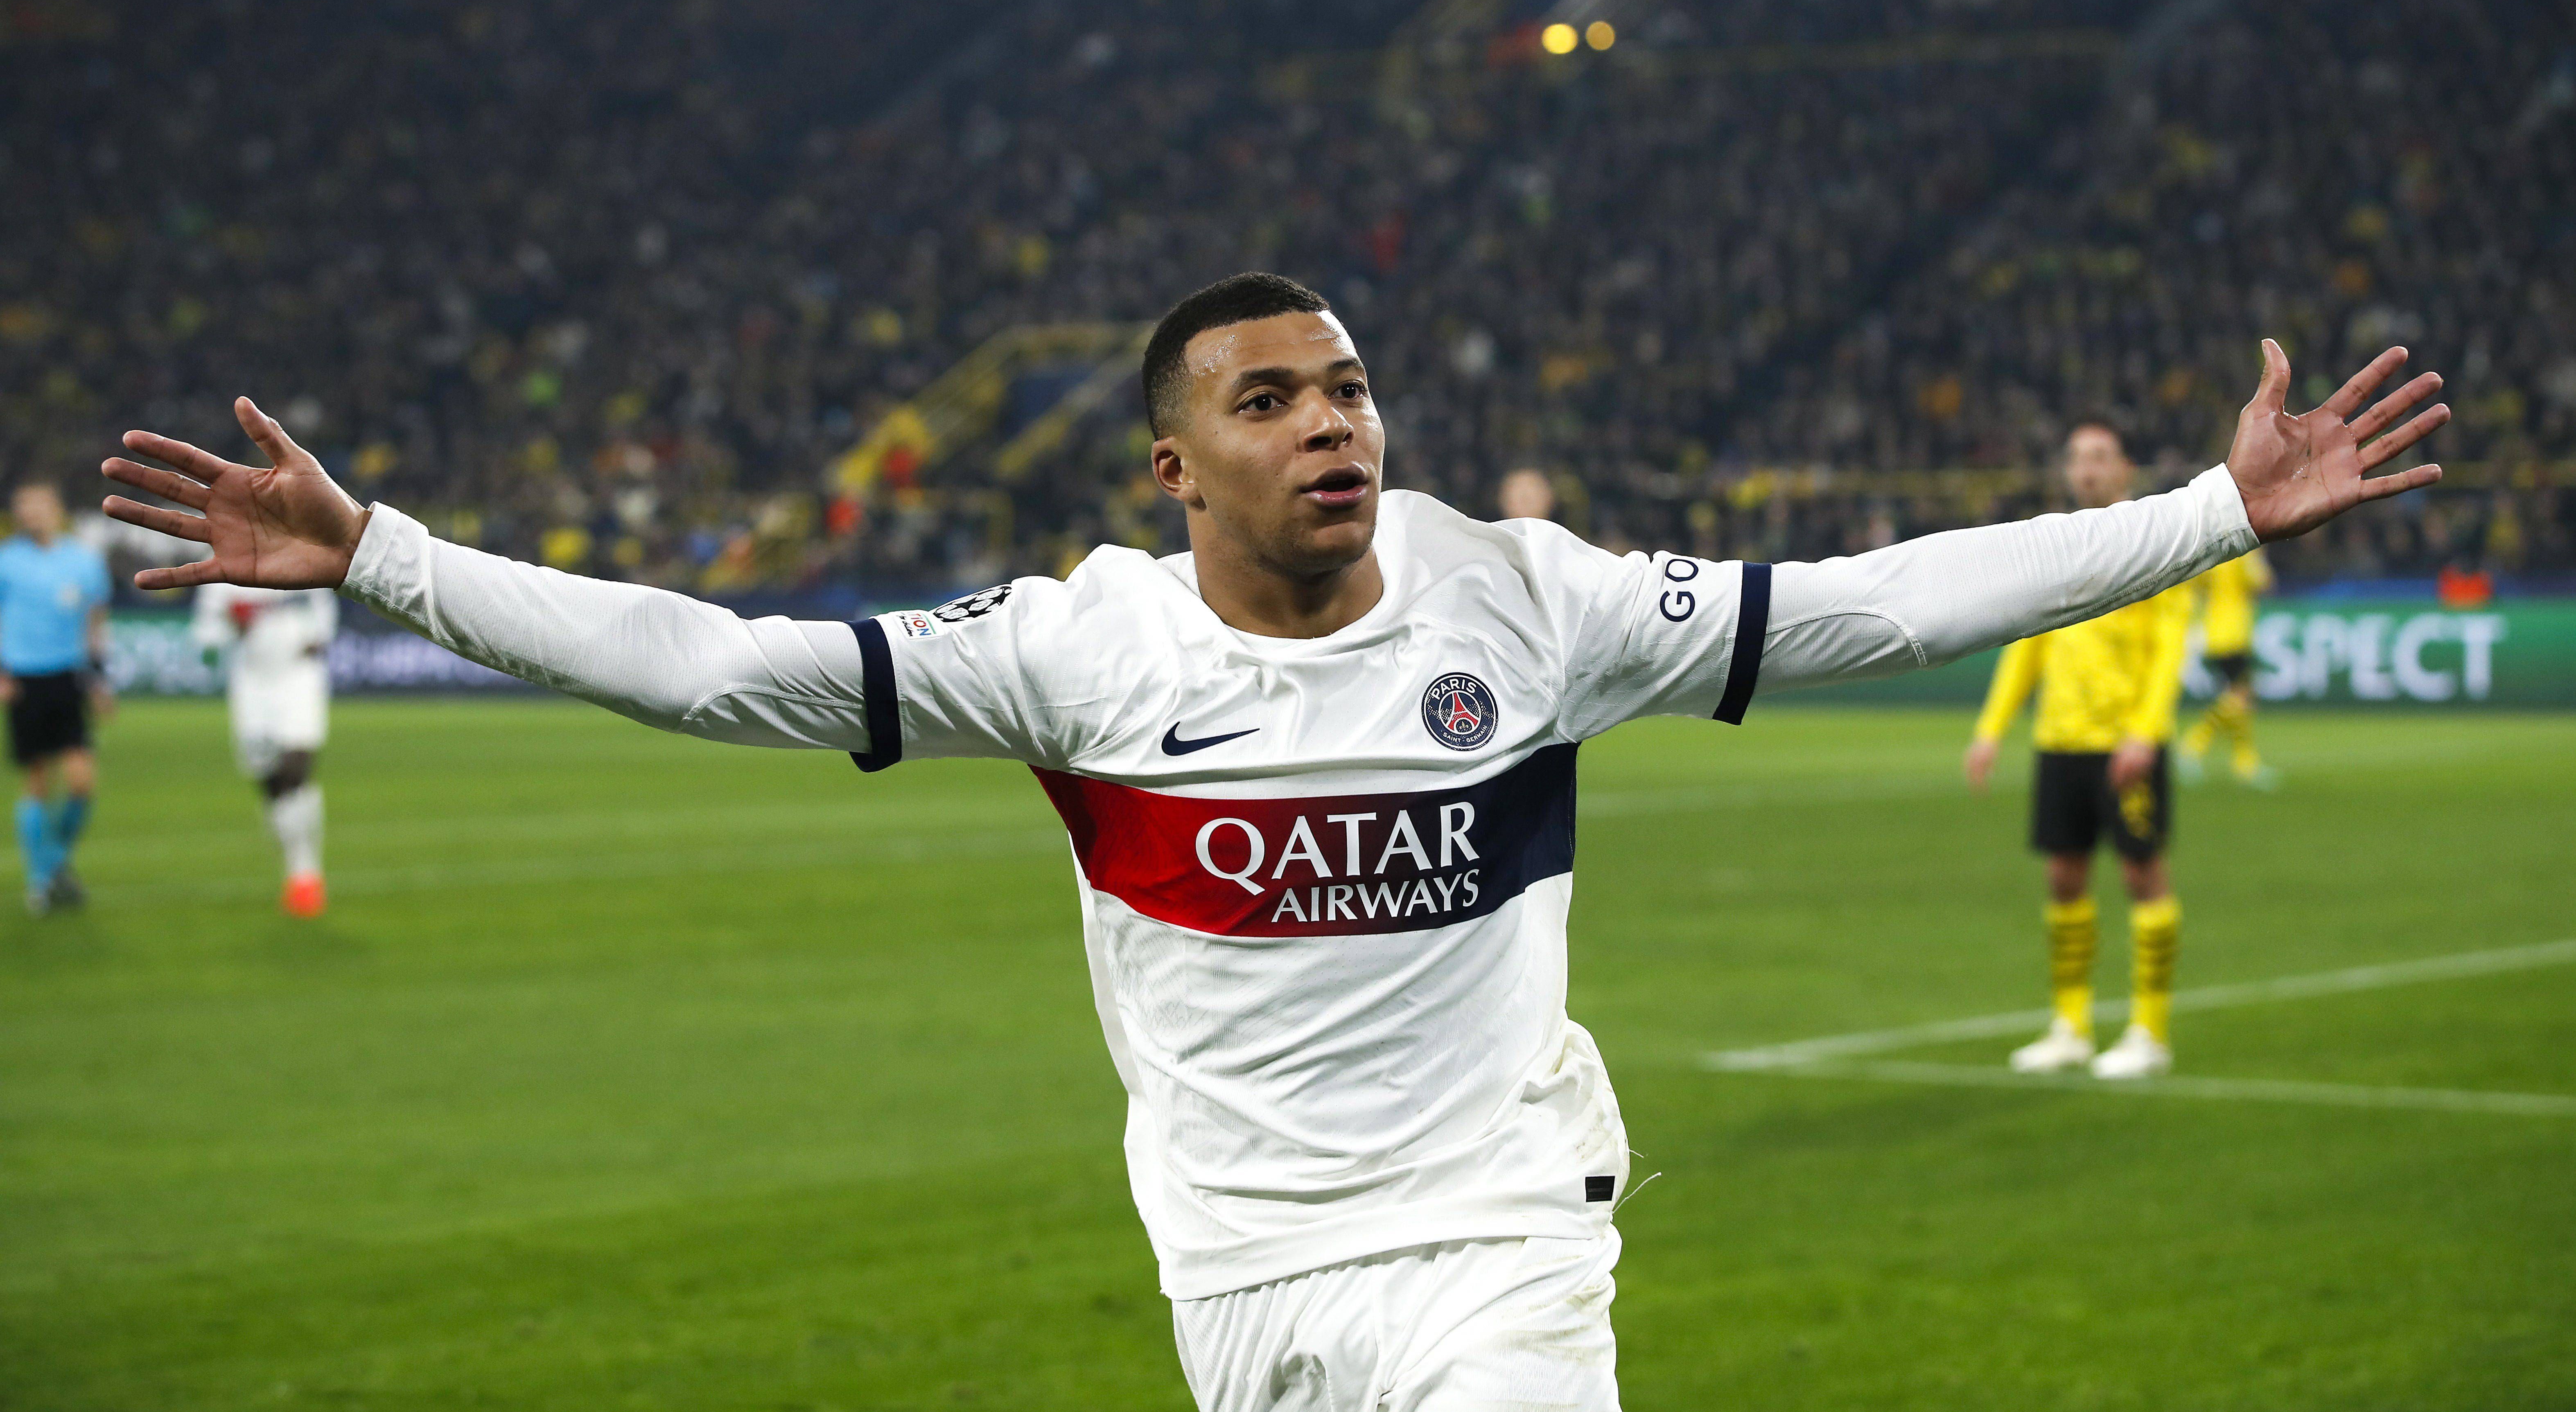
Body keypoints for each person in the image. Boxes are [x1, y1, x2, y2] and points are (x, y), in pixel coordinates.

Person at [102, 276, 2445, 1411]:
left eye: (1344, 384)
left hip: (1503, 1240)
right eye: (1269, 397)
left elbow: (1873, 602)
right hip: (1238, 1277)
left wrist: (2215, 510)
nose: (1330, 421)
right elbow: (715, 665)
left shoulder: (1523, 605)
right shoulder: (1074, 653)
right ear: (1174, 464)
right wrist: (388, 551)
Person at [1964, 420, 2194, 1080]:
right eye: (2076, 458)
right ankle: (2070, 1025)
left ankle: (2149, 1031)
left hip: (2123, 745)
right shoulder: (2053, 543)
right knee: (2063, 877)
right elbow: (2025, 645)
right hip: (2059, 740)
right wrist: (1990, 729)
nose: (2085, 469)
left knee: (2140, 875)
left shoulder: (2156, 543)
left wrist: (2145, 733)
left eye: (2099, 457)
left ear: (2125, 467)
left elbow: (2169, 646)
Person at [0, 481, 115, 915]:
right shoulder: (7, 560)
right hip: (24, 679)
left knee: (82, 783)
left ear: (57, 509)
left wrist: (100, 681)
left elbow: (95, 625)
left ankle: (53, 865)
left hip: (68, 678)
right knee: (36, 782)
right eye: (23, 507)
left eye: (39, 506)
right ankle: (40, 881)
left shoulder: (84, 562)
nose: (32, 514)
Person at [191, 582, 338, 916]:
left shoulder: (303, 545)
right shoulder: (217, 564)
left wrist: (318, 637)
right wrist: (233, 625)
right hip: (252, 682)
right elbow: (206, 640)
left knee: (296, 766)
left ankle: (306, 874)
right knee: (271, 781)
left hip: (300, 675)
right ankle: (297, 868)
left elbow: (324, 612)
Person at [2179, 548, 2276, 787]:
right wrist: (2260, 555)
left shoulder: (2213, 553)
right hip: (2234, 633)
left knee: (2241, 700)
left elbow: (2196, 586)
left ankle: (2244, 763)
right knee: (2240, 698)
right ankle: (2193, 745)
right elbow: (2263, 583)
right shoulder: (2245, 553)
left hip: (2214, 630)